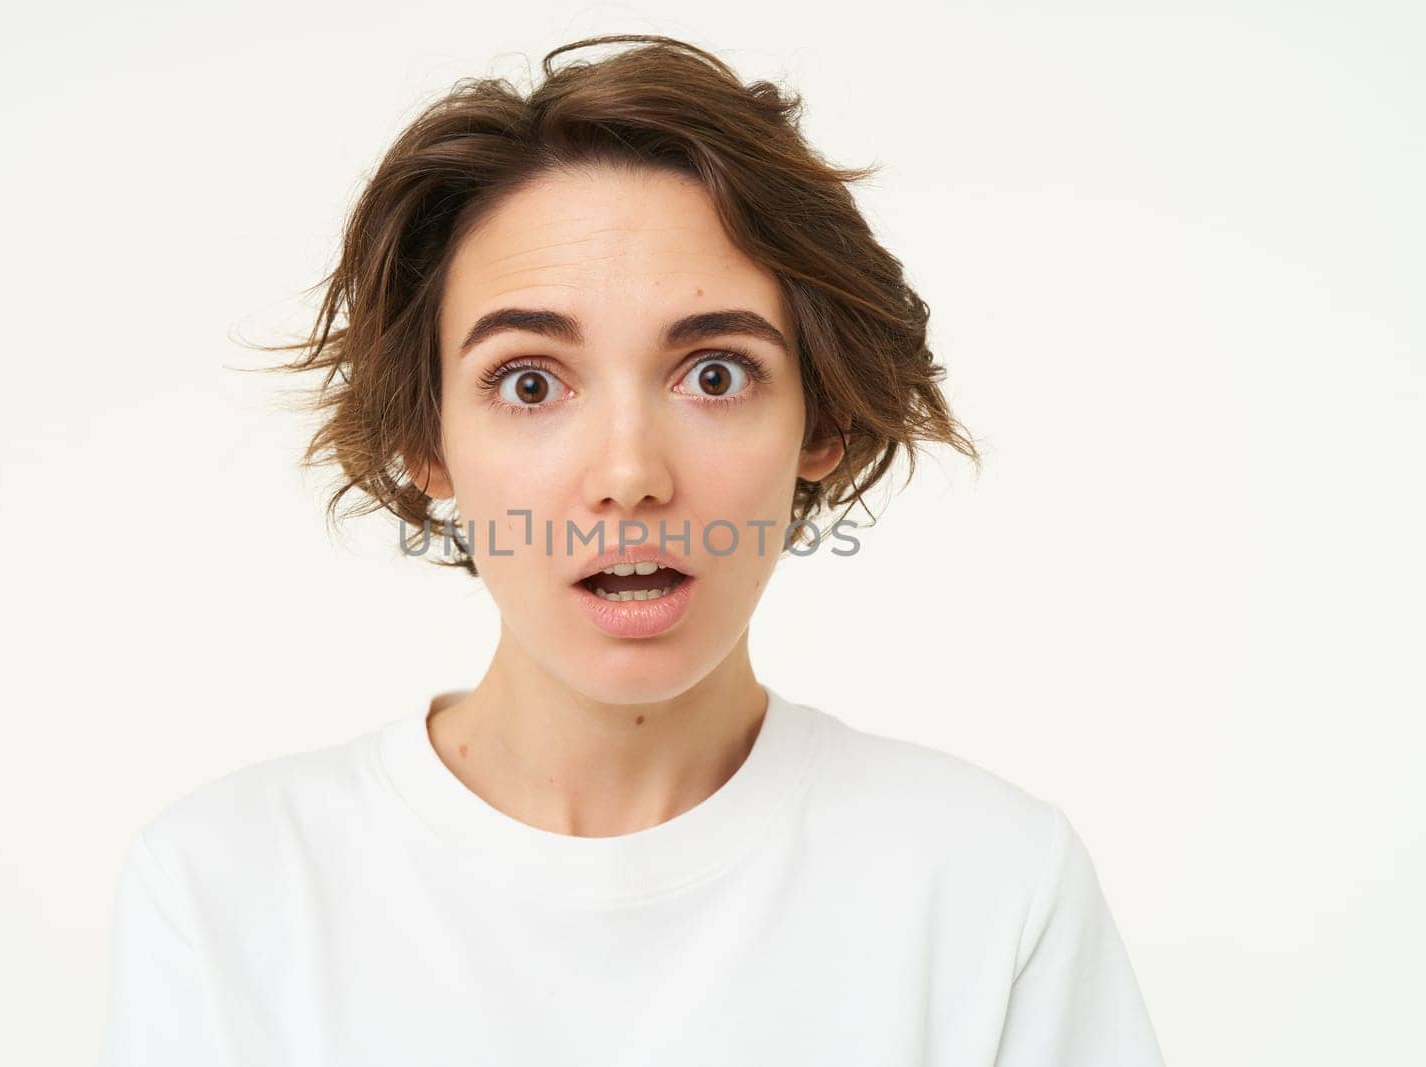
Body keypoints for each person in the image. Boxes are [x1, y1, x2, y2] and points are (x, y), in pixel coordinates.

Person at [99, 33, 1166, 1066]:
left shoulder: (987, 884)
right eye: (530, 382)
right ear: (427, 439)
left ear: (821, 418)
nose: (628, 473)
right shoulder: (229, 891)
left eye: (714, 374)